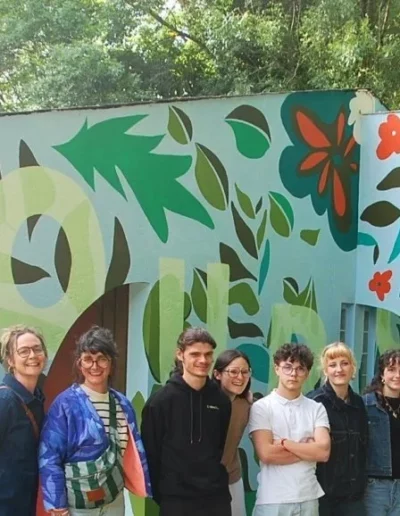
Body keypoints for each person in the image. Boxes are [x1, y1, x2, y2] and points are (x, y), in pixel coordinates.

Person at [38, 325, 151, 516]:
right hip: (78, 507)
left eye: (101, 359)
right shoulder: (65, 404)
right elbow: (49, 456)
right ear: (79, 364)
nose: (95, 366)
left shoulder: (123, 404)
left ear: (111, 363)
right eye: (88, 359)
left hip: (114, 501)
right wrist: (57, 504)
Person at [141, 327, 232, 516]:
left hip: (216, 498)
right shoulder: (160, 402)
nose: (203, 360)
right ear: (180, 354)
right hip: (176, 500)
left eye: (208, 354)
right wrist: (165, 494)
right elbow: (151, 454)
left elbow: (219, 446)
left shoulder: (221, 401)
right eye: (195, 354)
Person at [249, 342, 331, 516]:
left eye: (300, 368)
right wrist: (308, 449)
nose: (293, 374)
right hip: (273, 500)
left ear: (307, 373)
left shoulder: (316, 408)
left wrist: (286, 443)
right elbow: (267, 454)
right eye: (287, 367)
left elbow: (323, 452)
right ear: (277, 368)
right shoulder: (262, 407)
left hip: (308, 497)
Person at [308, 342, 368, 516]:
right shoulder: (314, 402)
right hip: (323, 497)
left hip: (353, 497)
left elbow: (363, 448)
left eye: (344, 363)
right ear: (325, 370)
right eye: (332, 365)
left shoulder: (359, 403)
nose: (339, 369)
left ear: (353, 368)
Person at [0, 324, 48, 516]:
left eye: (37, 349)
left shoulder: (36, 398)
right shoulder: (5, 401)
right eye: (24, 351)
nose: (33, 355)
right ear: (10, 360)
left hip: (24, 505)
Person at [213, 349, 253, 516]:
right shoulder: (204, 402)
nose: (240, 377)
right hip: (203, 481)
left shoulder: (246, 405)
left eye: (245, 372)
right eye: (233, 372)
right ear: (217, 374)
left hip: (232, 478)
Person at [363, 348, 400, 516]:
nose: (397, 375)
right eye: (391, 369)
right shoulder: (366, 405)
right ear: (382, 375)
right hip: (375, 487)